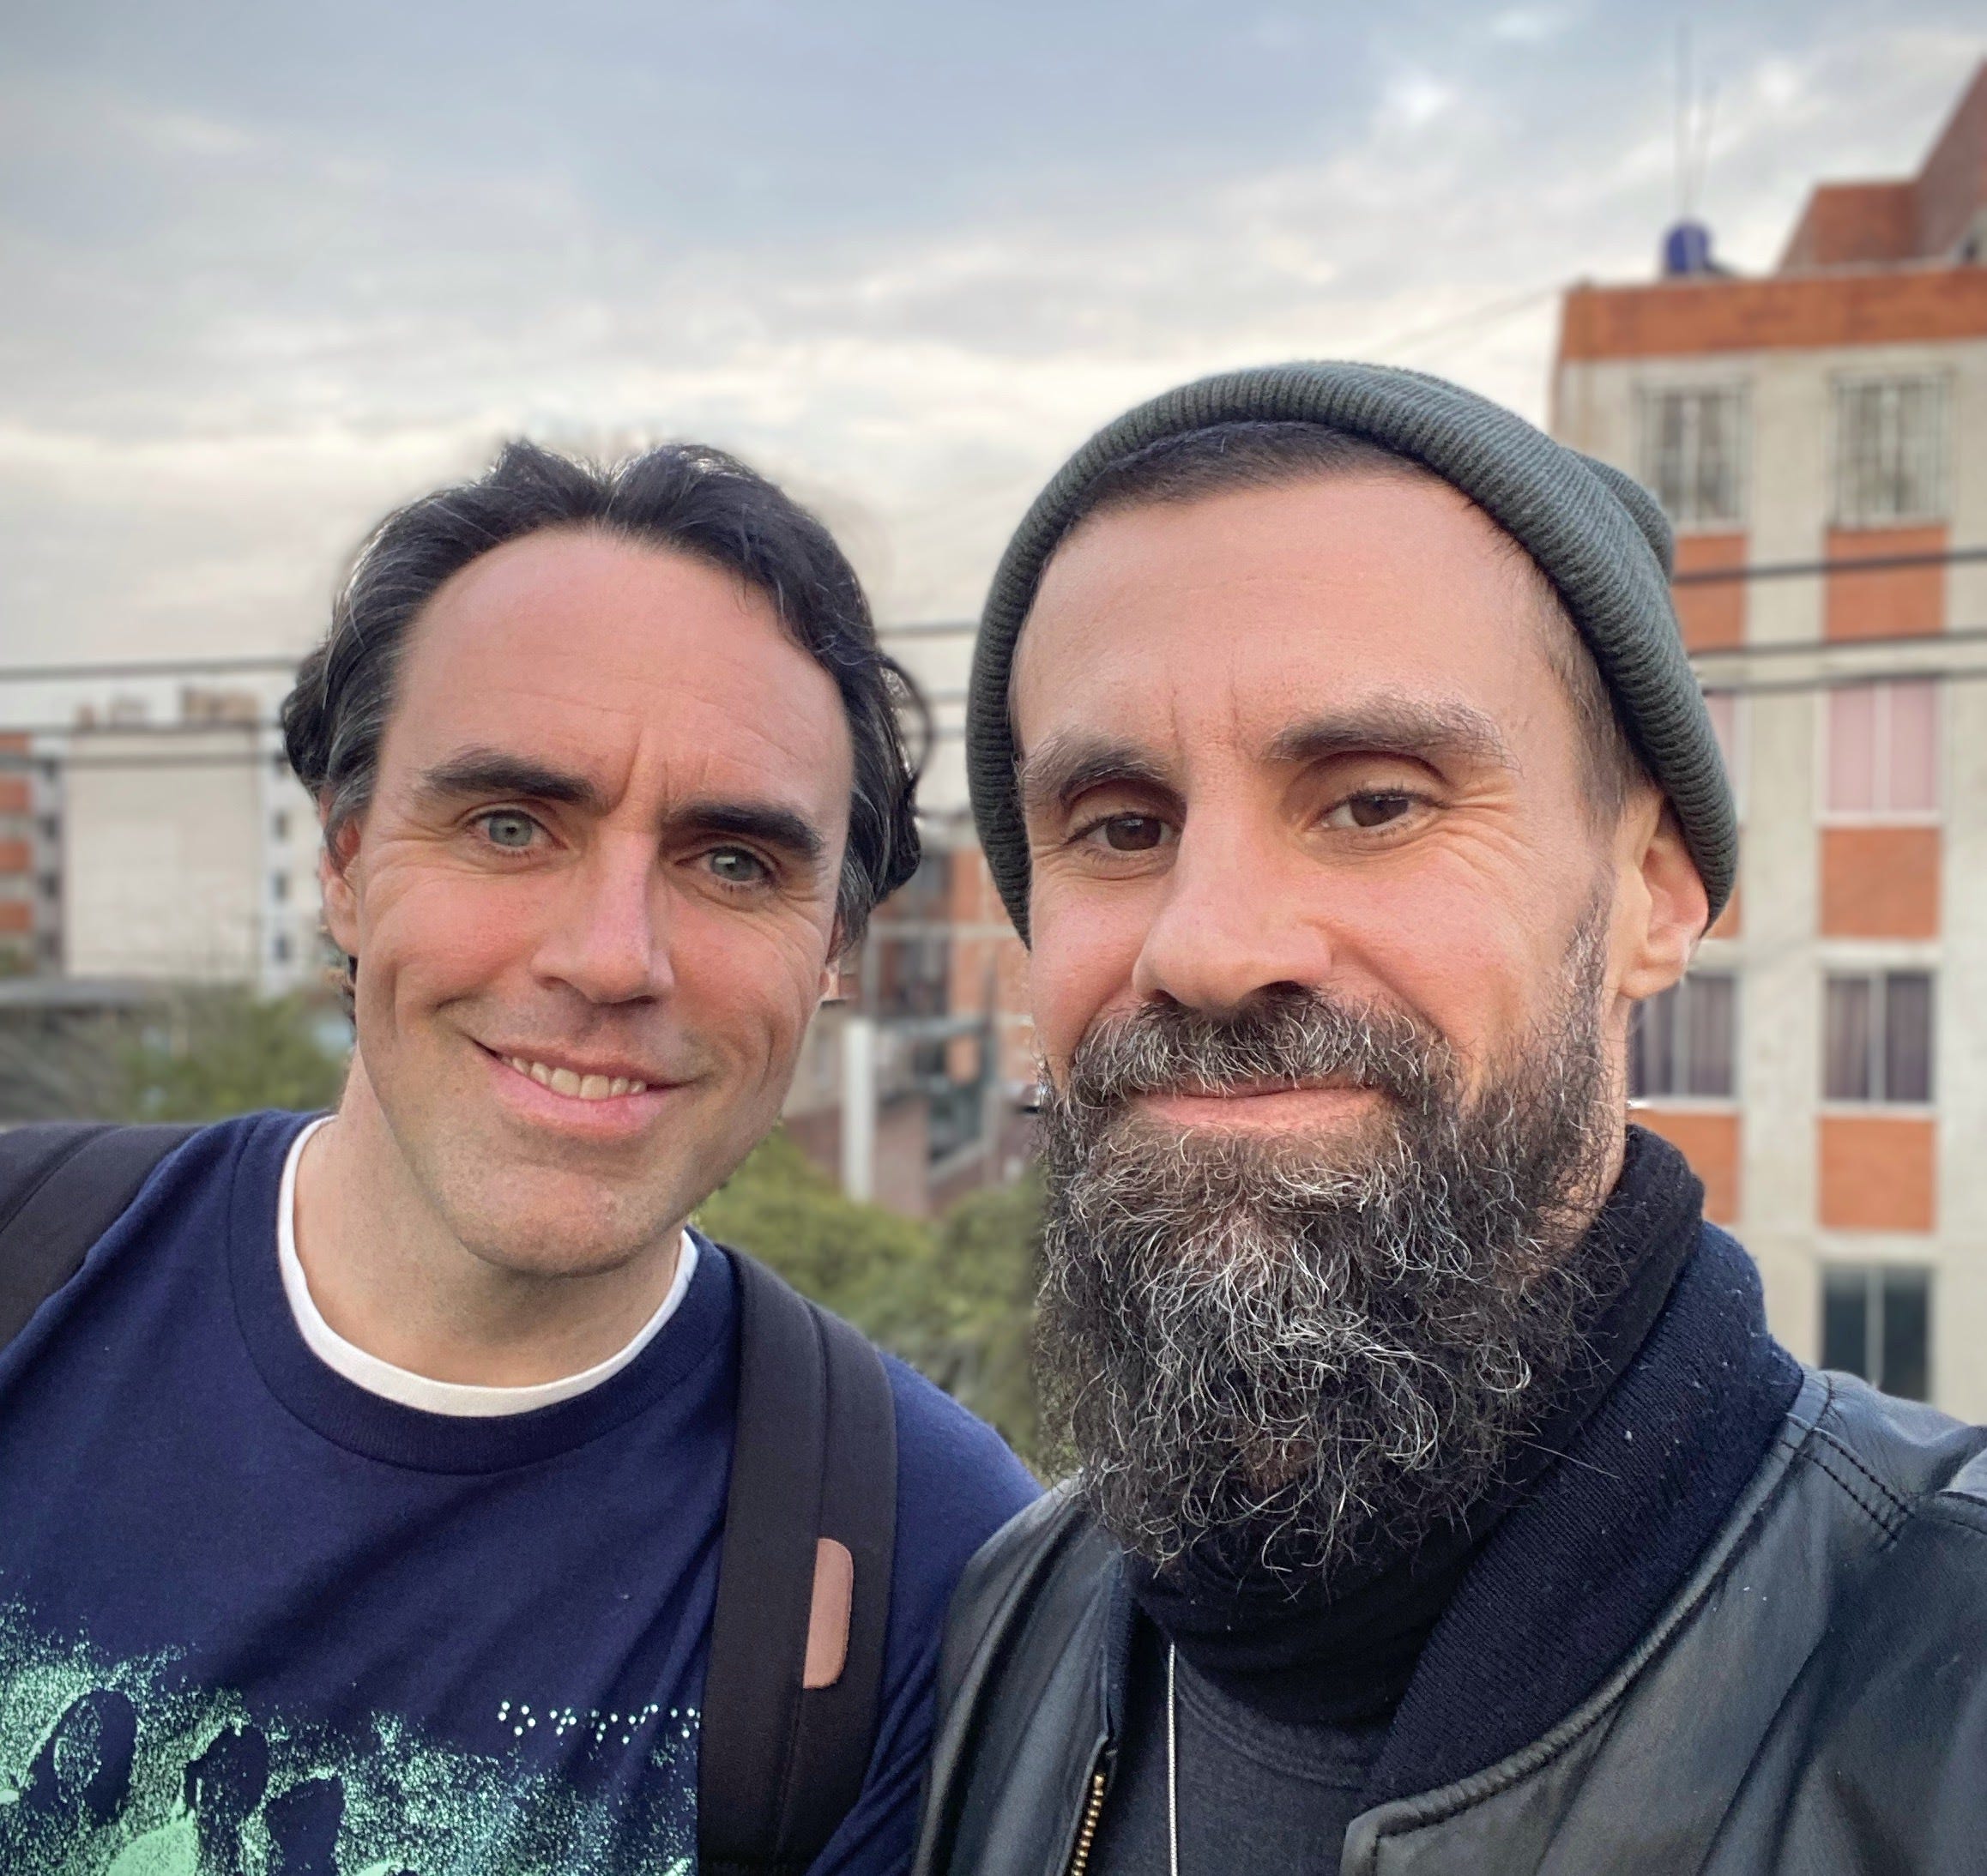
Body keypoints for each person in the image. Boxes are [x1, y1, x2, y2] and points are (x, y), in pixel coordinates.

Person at [912, 363, 1987, 1876]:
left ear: (1653, 892)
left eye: (1375, 803)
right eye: (1122, 827)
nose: (1207, 948)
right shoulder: (1008, 1619)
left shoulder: (1948, 1670)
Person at [0, 441, 1036, 1875]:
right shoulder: (28, 1270)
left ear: (835, 951)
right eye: (507, 825)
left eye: (734, 862)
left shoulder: (928, 1570)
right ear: (346, 862)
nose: (612, 958)